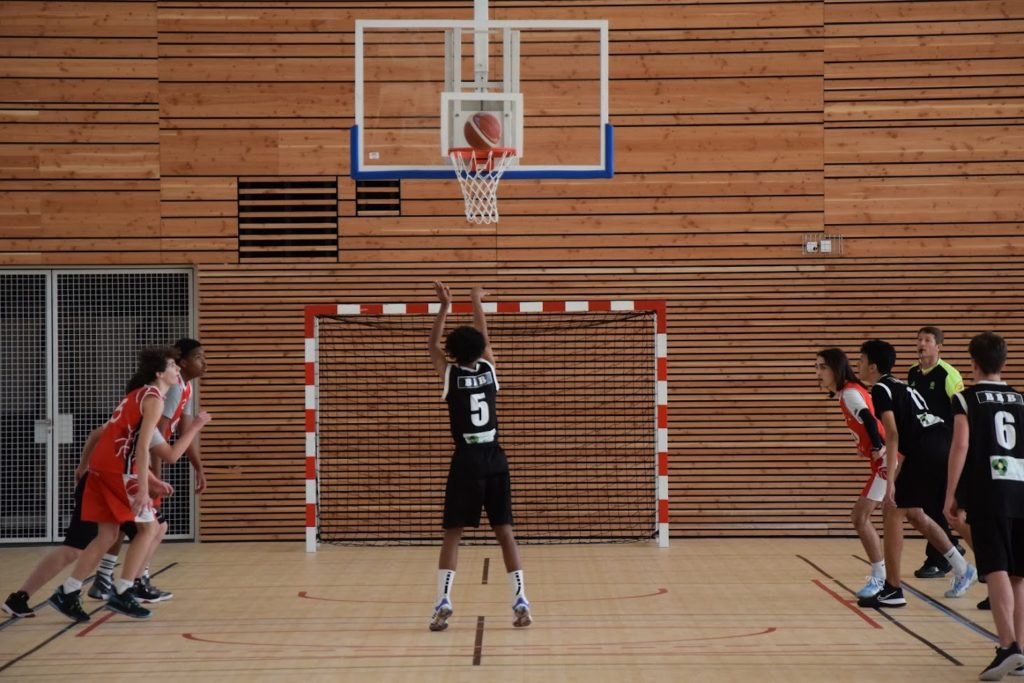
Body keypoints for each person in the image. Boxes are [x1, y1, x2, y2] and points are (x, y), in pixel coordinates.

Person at [3, 400, 208, 619]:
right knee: (77, 547)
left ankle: (121, 583)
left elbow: (133, 457)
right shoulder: (141, 411)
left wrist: (152, 481)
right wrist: (84, 466)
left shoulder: (146, 412)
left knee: (146, 529)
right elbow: (166, 454)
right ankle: (28, 596)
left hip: (122, 484)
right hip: (105, 484)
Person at [46, 346, 203, 622]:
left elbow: (118, 438)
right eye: (171, 365)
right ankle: (123, 591)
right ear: (159, 373)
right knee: (149, 528)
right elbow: (141, 447)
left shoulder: (137, 395)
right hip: (118, 469)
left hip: (102, 467)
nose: (177, 368)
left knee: (107, 536)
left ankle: (68, 592)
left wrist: (151, 479)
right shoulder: (153, 399)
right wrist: (143, 487)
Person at [427, 281, 531, 631]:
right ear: (481, 350)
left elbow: (432, 346)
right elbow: (484, 340)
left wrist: (445, 306)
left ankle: (443, 599)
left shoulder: (450, 373)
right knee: (505, 532)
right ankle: (521, 598)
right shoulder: (489, 369)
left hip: (466, 461)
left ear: (453, 352)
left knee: (453, 533)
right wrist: (476, 300)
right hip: (495, 459)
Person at [855, 340, 976, 609]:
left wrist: (890, 481)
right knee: (914, 513)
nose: (858, 366)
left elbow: (893, 434)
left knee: (892, 509)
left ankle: (893, 589)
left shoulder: (881, 389)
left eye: (861, 361)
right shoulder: (899, 384)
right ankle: (962, 567)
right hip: (940, 442)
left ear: (873, 366)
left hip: (927, 446)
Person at [944, 332, 1024, 680]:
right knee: (1019, 574)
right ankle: (1021, 650)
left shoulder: (966, 399)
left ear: (973, 363)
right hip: (1022, 489)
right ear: (1004, 362)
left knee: (996, 568)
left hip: (991, 491)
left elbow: (961, 445)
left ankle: (1007, 646)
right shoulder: (1021, 399)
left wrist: (951, 493)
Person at [816, 348, 888, 599]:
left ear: (836, 369)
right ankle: (960, 566)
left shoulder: (849, 393)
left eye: (822, 367)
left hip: (887, 460)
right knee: (915, 515)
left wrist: (877, 446)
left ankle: (879, 578)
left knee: (859, 516)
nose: (818, 373)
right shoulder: (848, 393)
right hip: (888, 457)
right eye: (816, 367)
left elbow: (868, 417)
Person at [908, 325, 966, 579]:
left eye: (927, 340)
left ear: (938, 346)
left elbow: (963, 411)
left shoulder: (948, 374)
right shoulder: (913, 372)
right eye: (919, 339)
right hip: (922, 446)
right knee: (926, 504)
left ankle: (939, 559)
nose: (921, 344)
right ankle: (951, 547)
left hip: (944, 447)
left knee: (936, 504)